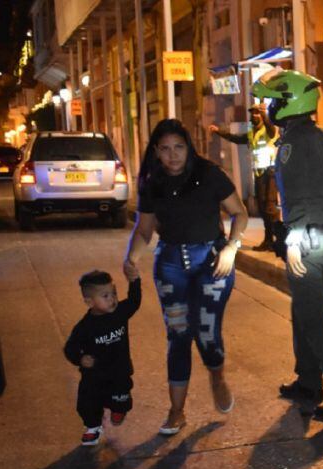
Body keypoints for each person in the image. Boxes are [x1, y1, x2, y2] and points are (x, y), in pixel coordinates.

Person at [251, 69, 323, 419]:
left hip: (307, 242)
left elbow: (298, 199)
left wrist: (293, 241)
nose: (270, 106)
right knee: (303, 310)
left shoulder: (291, 144)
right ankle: (308, 381)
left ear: (289, 103)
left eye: (274, 100)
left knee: (313, 317)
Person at [124, 119, 249, 435]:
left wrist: (232, 248)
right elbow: (144, 229)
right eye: (165, 149)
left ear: (188, 147)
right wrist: (132, 258)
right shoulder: (152, 182)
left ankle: (217, 375)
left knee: (206, 332)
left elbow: (240, 212)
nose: (173, 155)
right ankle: (176, 412)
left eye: (178, 147)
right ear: (156, 151)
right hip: (170, 264)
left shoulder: (209, 174)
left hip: (212, 261)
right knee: (178, 333)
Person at [63, 269, 141, 446]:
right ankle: (92, 427)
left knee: (121, 401)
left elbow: (134, 302)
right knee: (88, 403)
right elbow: (70, 348)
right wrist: (81, 358)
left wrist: (134, 281)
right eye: (105, 296)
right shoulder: (85, 327)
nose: (112, 299)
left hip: (119, 372)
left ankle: (118, 408)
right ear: (89, 301)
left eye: (114, 293)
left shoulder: (119, 313)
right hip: (94, 376)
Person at [210, 105, 281, 251]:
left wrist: (265, 114)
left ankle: (279, 239)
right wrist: (219, 132)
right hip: (259, 173)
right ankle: (268, 240)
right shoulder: (251, 133)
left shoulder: (269, 130)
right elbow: (235, 138)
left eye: (257, 113)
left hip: (270, 172)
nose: (254, 116)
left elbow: (271, 128)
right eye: (253, 113)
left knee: (269, 208)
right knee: (262, 207)